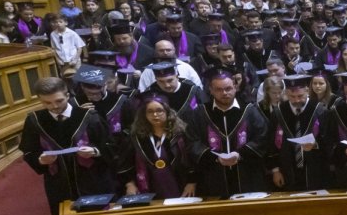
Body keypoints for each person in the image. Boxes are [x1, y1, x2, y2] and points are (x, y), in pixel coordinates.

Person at [20, 76, 115, 215]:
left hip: (92, 180)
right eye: (47, 103)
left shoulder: (89, 117)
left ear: (67, 96)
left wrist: (95, 152)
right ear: (40, 100)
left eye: (59, 101)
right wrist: (40, 160)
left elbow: (110, 145)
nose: (54, 107)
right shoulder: (35, 121)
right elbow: (29, 151)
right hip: (59, 183)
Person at [185, 69, 269, 197]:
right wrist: (216, 158)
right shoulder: (200, 113)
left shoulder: (250, 110)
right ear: (211, 90)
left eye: (228, 88)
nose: (224, 93)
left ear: (235, 87)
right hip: (213, 175)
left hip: (247, 173)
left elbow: (262, 137)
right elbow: (193, 141)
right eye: (218, 89)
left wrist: (240, 154)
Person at [119, 92, 195, 199]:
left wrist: (192, 182)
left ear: (167, 112)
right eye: (150, 111)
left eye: (159, 110)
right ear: (144, 114)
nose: (155, 115)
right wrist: (129, 184)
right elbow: (126, 164)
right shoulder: (136, 137)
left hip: (180, 185)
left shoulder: (181, 134)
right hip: (149, 187)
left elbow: (192, 161)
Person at [267, 75, 329, 191]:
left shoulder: (320, 111)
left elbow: (329, 140)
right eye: (292, 96)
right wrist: (275, 171)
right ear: (286, 93)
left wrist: (315, 145)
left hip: (315, 171)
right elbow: (271, 144)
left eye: (300, 96)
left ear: (307, 90)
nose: (296, 100)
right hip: (287, 171)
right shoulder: (279, 112)